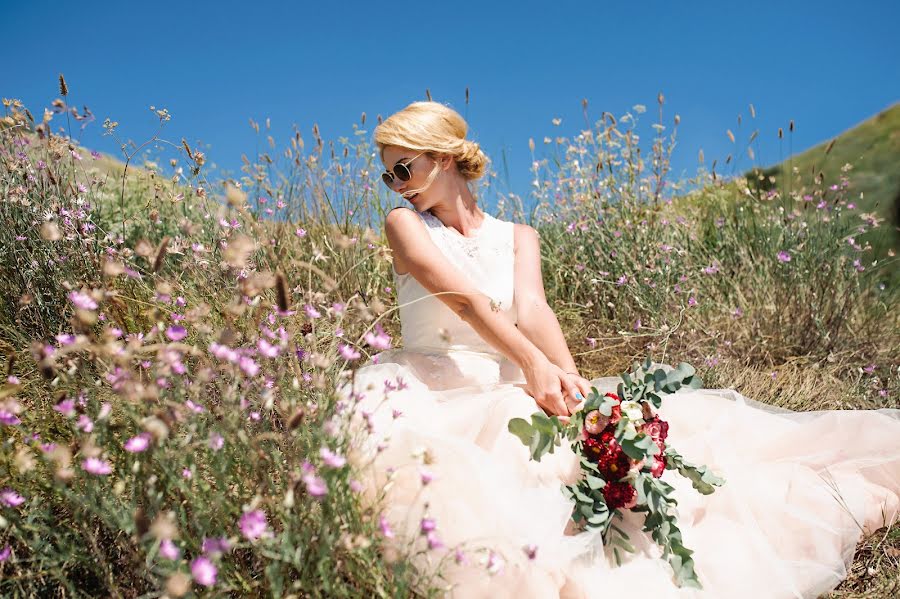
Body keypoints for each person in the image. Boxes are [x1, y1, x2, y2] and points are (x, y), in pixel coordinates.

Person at [338, 101, 900, 598]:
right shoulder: (404, 224)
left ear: (445, 158)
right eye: (389, 174)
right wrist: (535, 366)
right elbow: (467, 303)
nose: (397, 182)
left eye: (404, 168)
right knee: (510, 432)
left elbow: (533, 310)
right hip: (435, 388)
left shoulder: (518, 236)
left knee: (622, 439)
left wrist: (577, 386)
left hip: (515, 373)